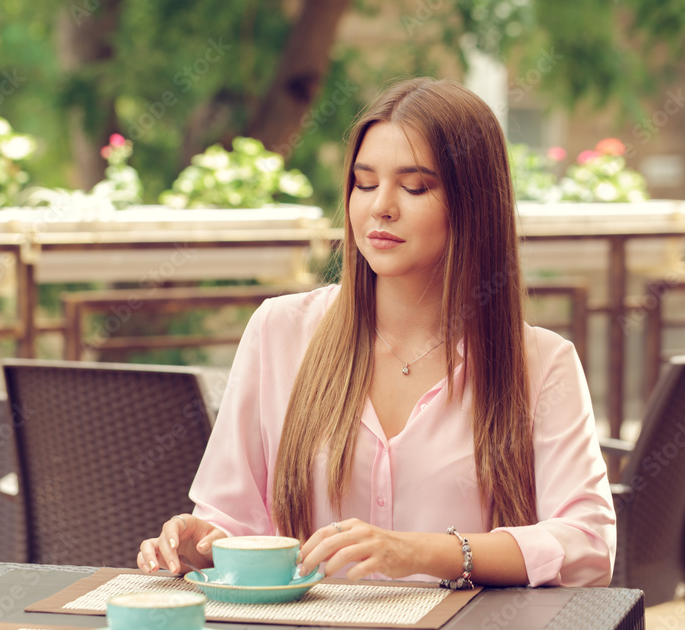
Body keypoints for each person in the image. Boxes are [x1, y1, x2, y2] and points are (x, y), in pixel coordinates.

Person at [137, 77, 615, 588]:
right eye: (364, 183)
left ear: (474, 205)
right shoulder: (278, 332)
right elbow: (237, 522)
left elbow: (587, 546)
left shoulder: (540, 362)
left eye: (415, 187)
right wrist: (201, 542)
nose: (380, 206)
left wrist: (426, 552)